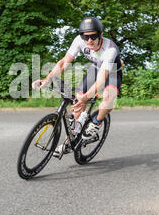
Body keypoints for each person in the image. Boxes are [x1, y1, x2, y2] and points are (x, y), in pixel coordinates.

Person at [32, 17, 122, 157]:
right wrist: (47, 79)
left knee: (109, 96)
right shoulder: (79, 41)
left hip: (112, 71)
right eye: (85, 36)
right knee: (78, 101)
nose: (89, 40)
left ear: (101, 34)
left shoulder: (110, 49)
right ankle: (70, 141)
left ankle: (96, 123)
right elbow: (63, 63)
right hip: (95, 68)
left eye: (93, 36)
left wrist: (87, 97)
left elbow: (101, 80)